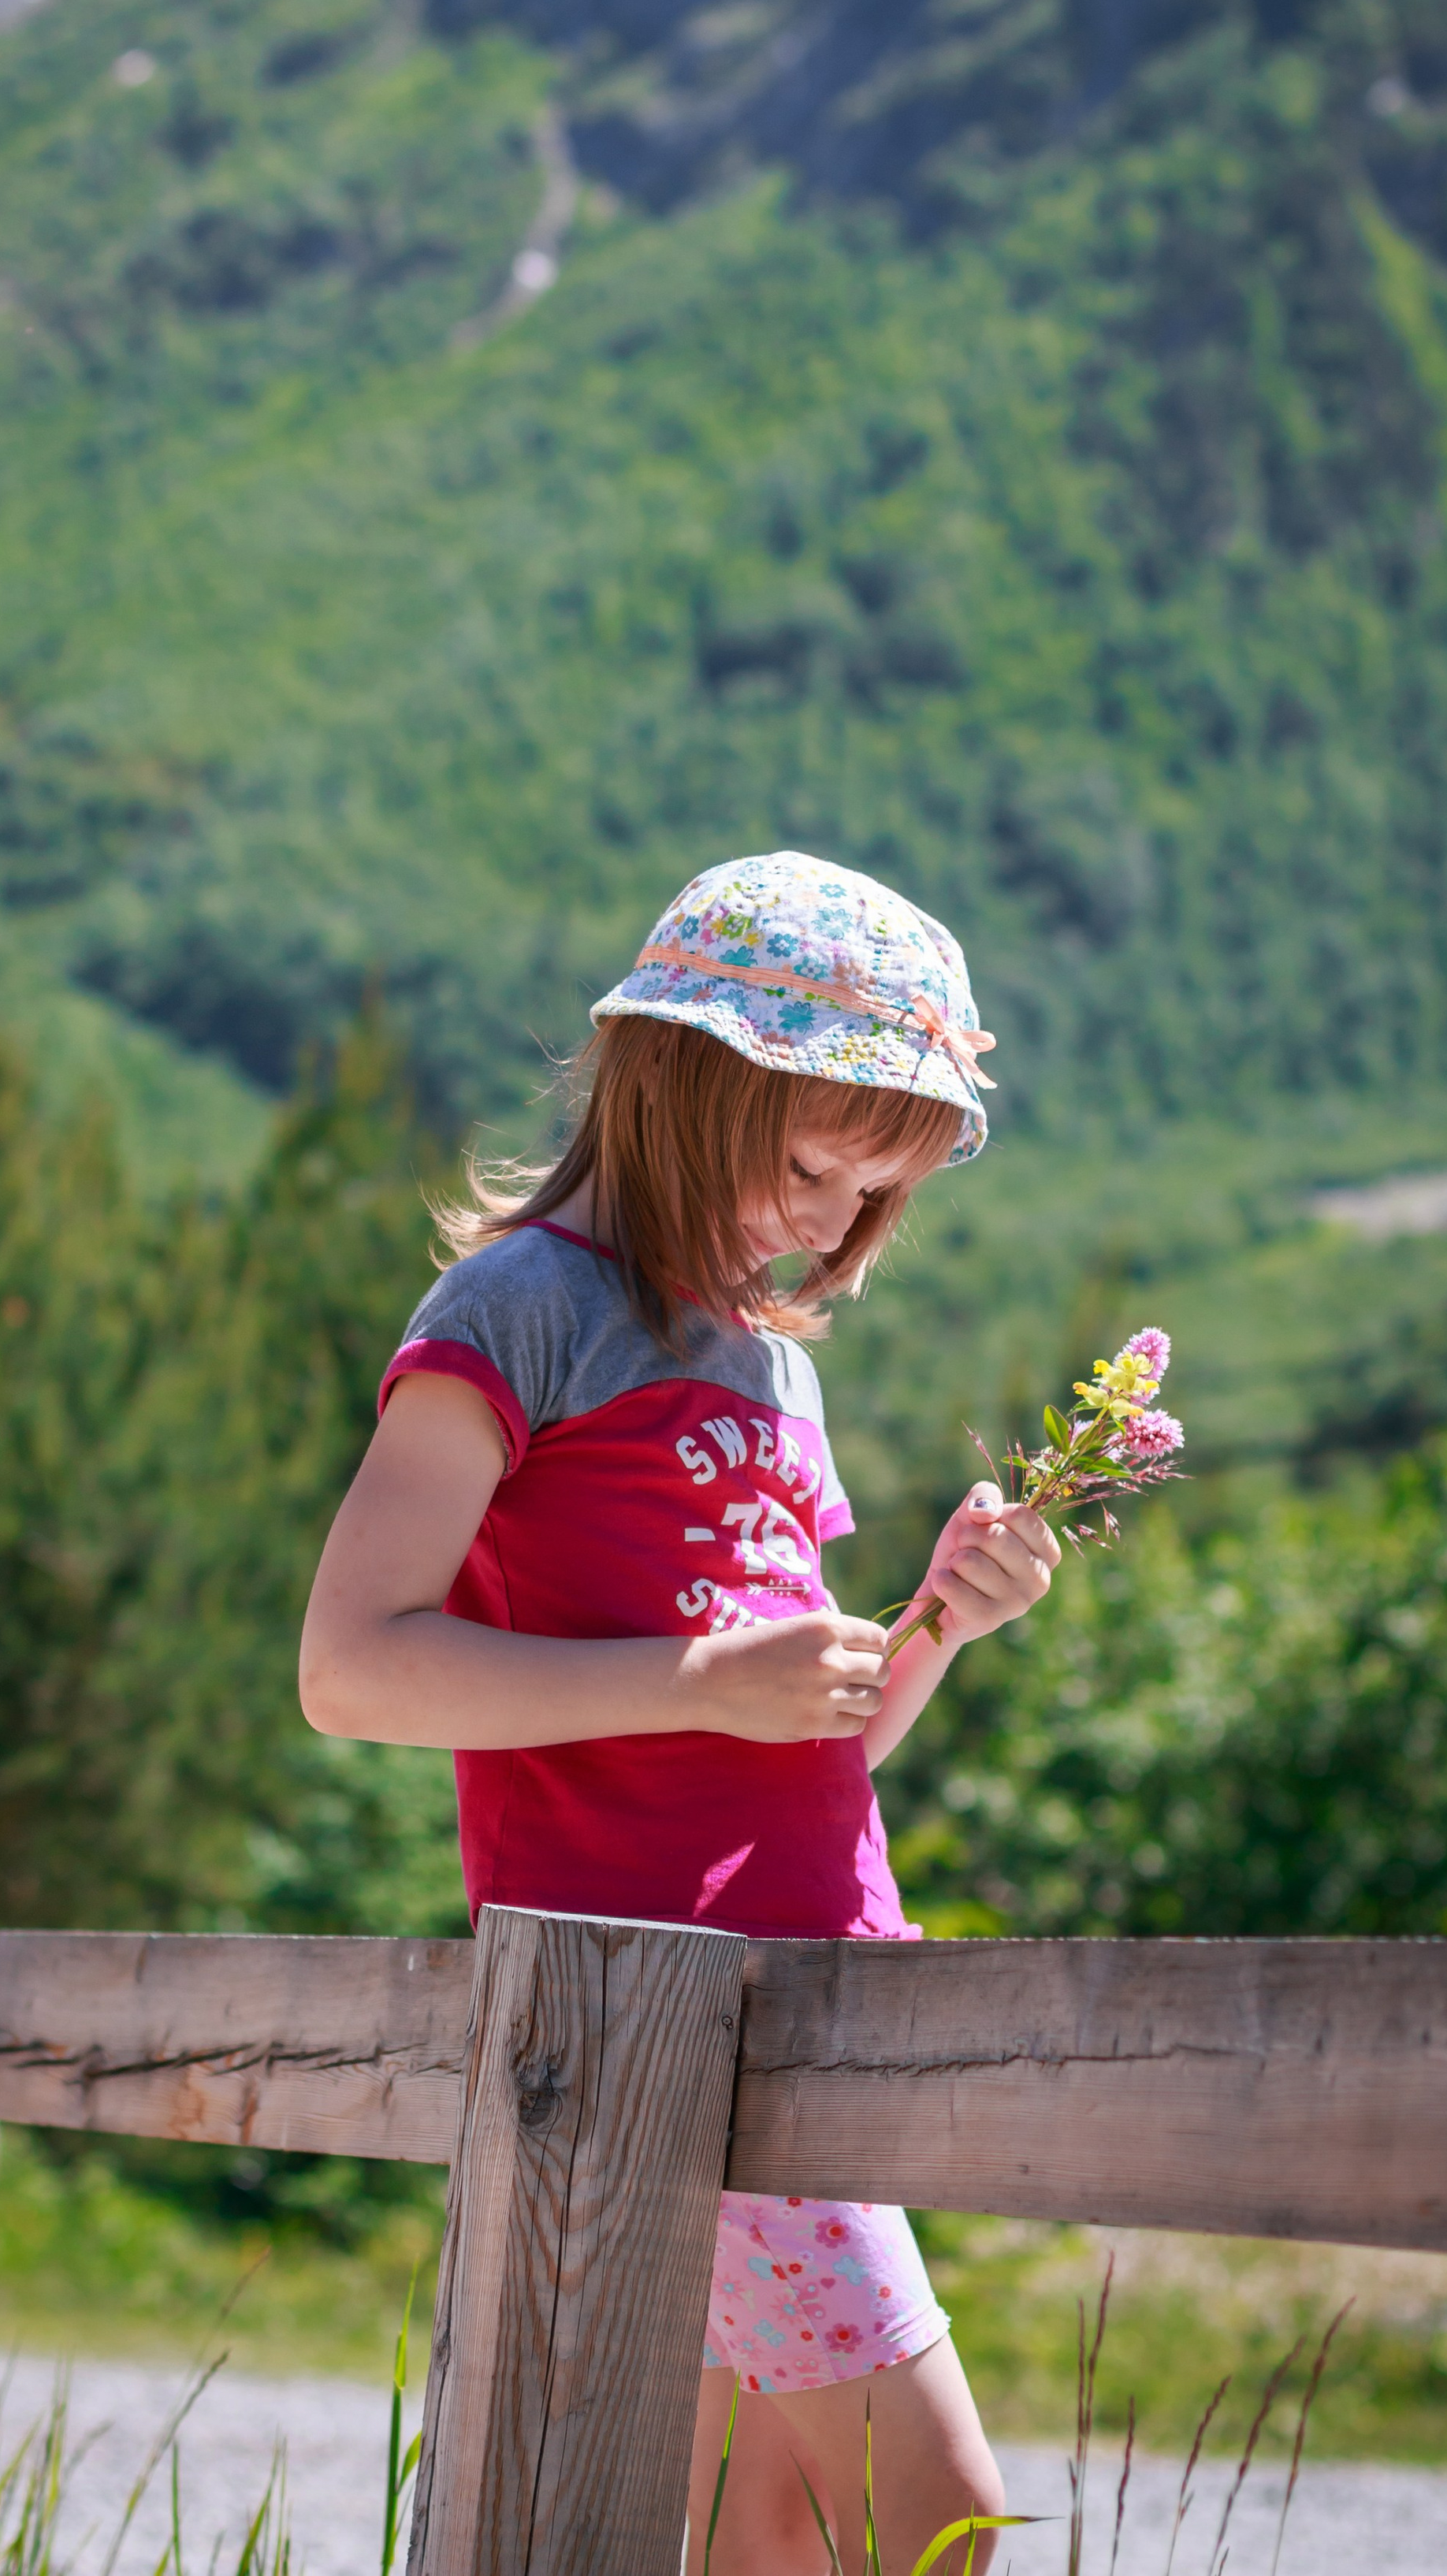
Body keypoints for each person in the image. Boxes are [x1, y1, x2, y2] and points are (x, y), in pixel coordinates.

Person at [299, 849, 1058, 2574]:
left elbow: (806, 1747)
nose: (820, 1219)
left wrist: (935, 1621)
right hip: (643, 2014)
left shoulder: (770, 1362)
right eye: (803, 1162)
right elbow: (346, 1667)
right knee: (933, 2527)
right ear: (671, 1082)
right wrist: (693, 1682)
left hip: (798, 1998)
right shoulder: (517, 1310)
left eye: (866, 1196)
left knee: (757, 2541)